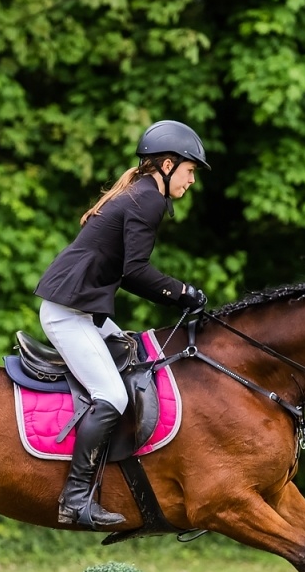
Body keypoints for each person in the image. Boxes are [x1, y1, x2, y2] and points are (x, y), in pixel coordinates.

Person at [34, 120, 211, 528]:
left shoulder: (143, 195)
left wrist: (179, 293)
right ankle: (75, 499)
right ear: (168, 165)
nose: (191, 181)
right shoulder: (146, 200)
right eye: (190, 171)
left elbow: (130, 274)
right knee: (112, 395)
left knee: (137, 359)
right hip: (68, 314)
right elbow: (137, 272)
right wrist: (184, 292)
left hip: (85, 312)